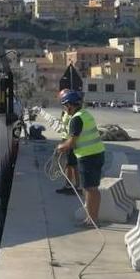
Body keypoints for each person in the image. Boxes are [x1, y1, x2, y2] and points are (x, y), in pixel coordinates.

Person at [56, 91, 106, 224]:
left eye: (65, 106)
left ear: (70, 105)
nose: (65, 109)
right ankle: (93, 217)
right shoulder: (85, 114)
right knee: (93, 188)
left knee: (89, 189)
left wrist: (60, 147)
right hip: (98, 154)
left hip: (88, 156)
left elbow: (72, 142)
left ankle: (91, 219)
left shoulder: (76, 119)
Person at [55, 89, 79, 195]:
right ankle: (70, 185)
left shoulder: (72, 112)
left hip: (70, 140)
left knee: (71, 164)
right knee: (68, 164)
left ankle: (74, 186)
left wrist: (66, 144)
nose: (63, 104)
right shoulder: (65, 111)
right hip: (65, 138)